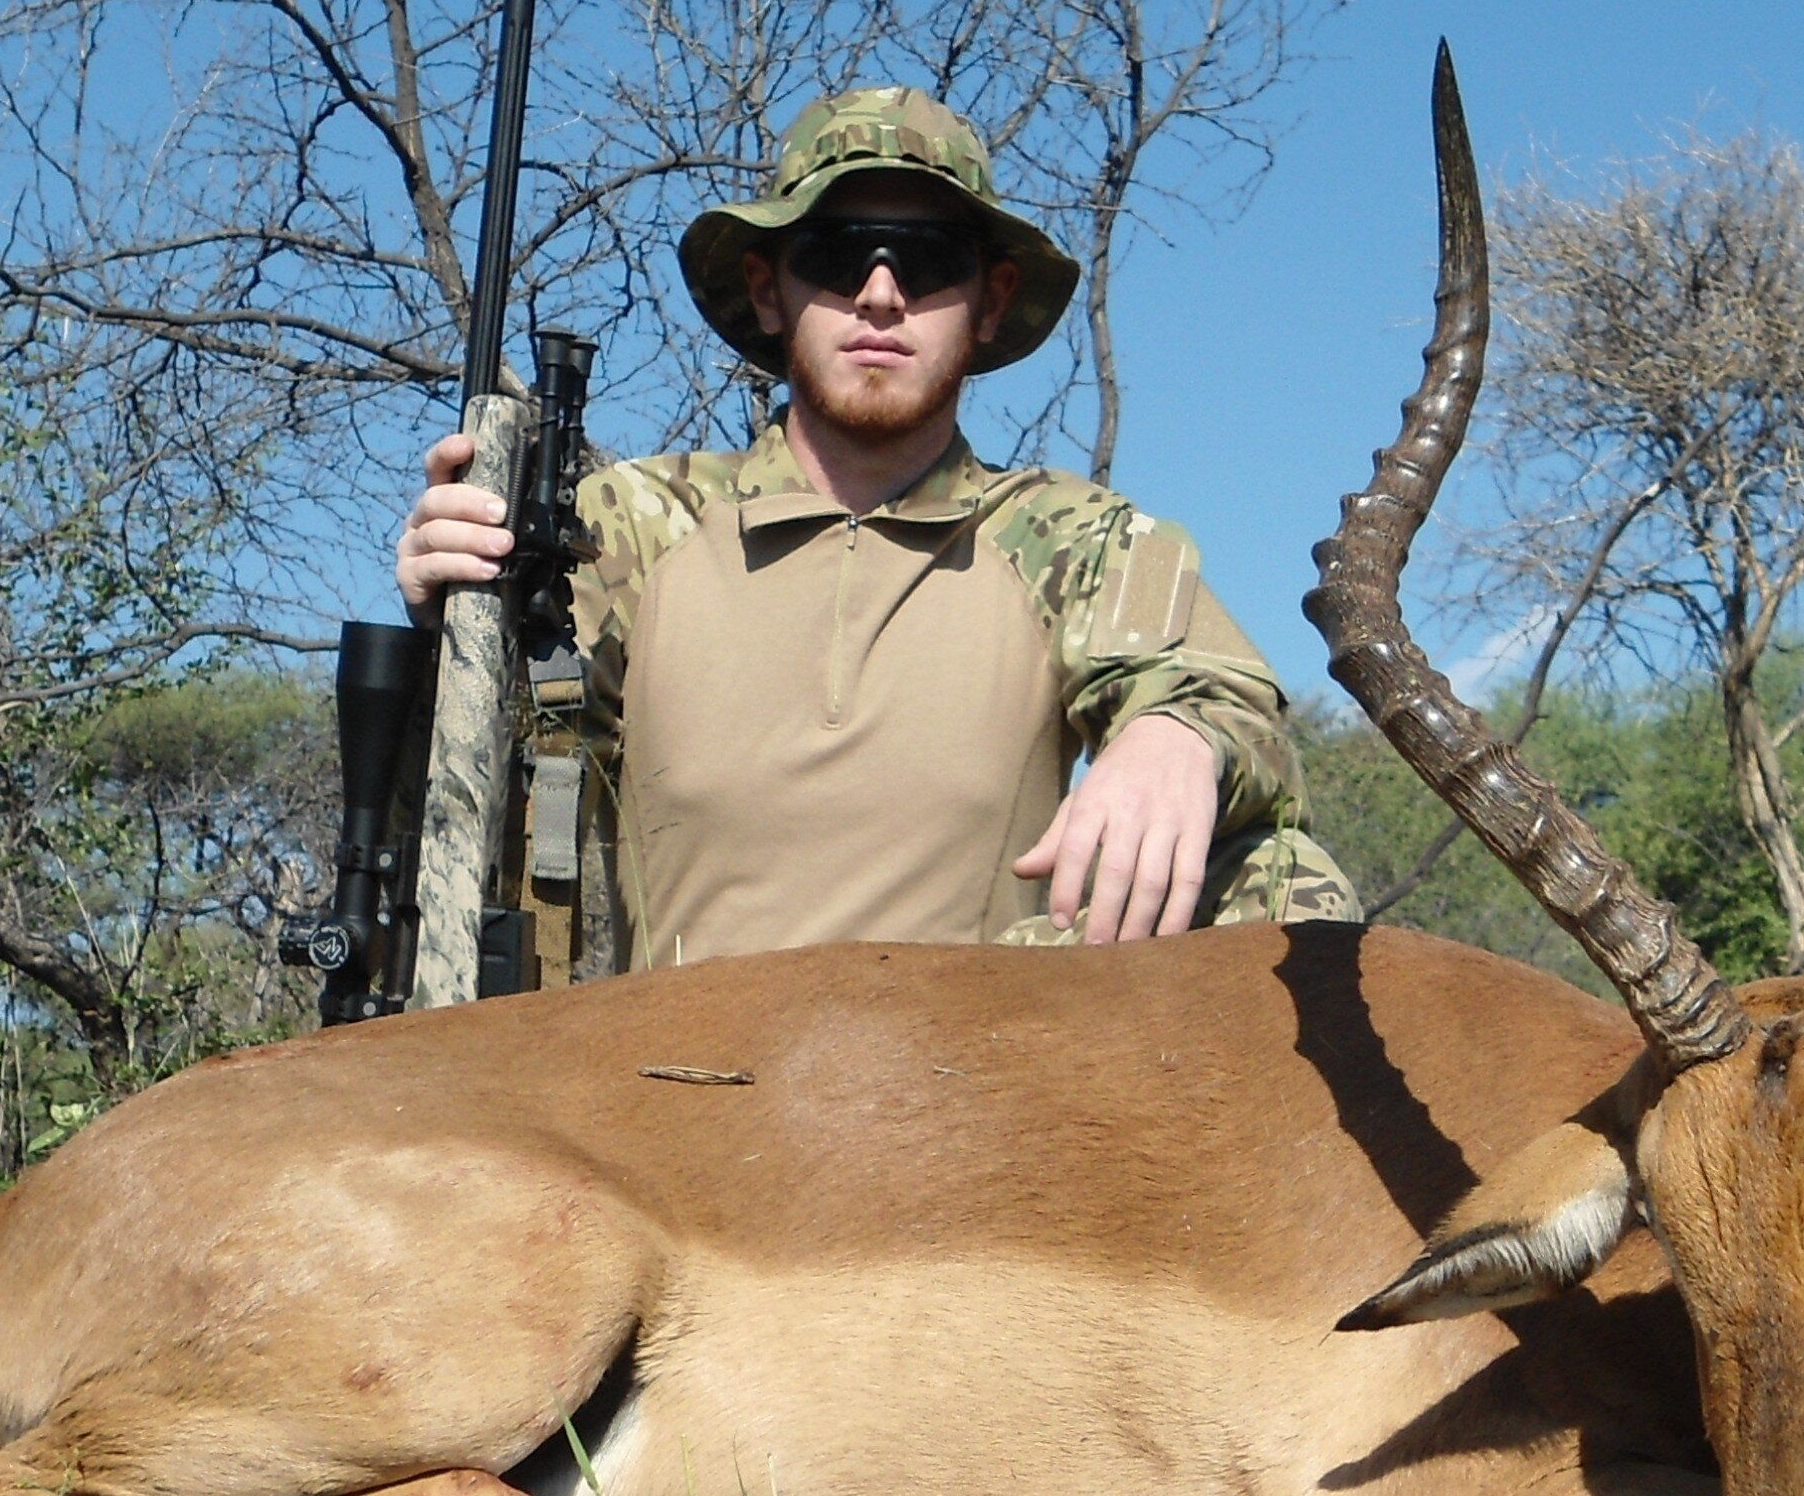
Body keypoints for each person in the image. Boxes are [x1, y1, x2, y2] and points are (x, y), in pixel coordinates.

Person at [396, 86, 1354, 968]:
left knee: (1284, 879)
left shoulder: (1075, 535)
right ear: (770, 290)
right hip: (665, 1104)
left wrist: (1179, 735)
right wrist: (455, 612)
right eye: (839, 253)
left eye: (930, 263)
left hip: (972, 1104)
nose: (883, 294)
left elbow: (1235, 705)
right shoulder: (629, 525)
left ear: (993, 301)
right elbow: (498, 766)